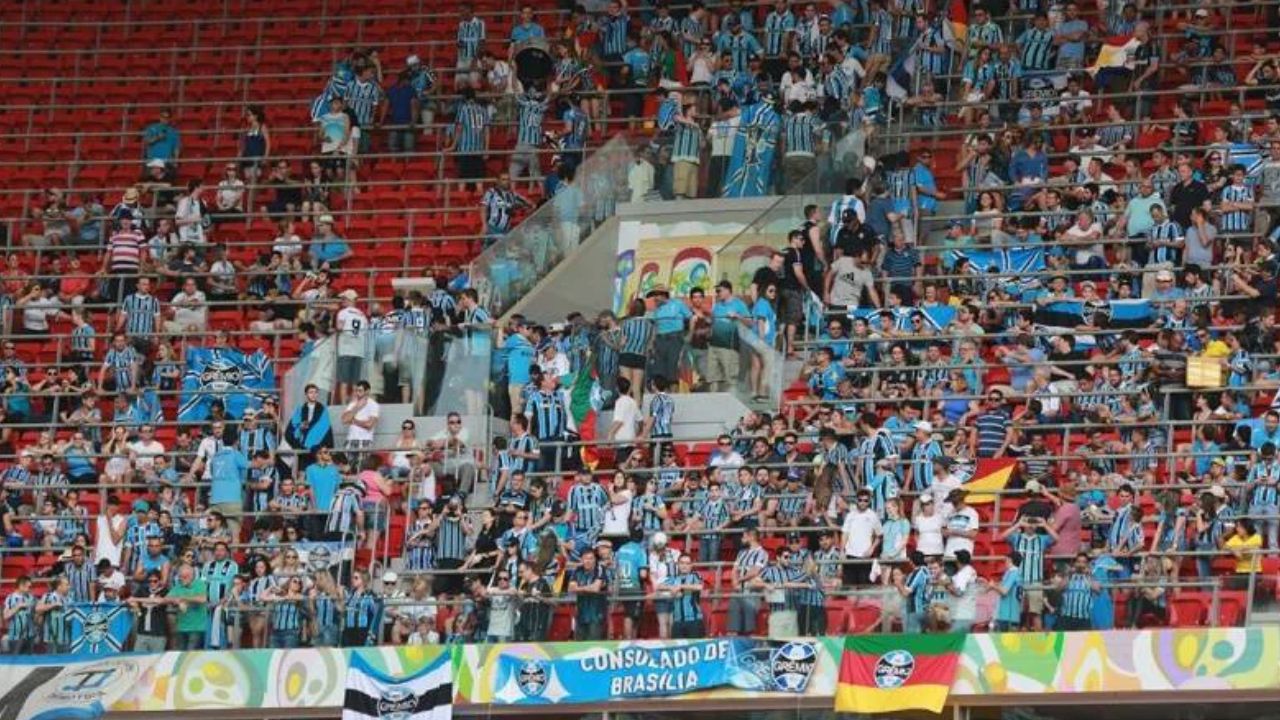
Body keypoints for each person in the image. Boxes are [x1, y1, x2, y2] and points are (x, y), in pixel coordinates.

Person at [568, 548, 608, 640]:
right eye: (586, 558)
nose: (588, 561)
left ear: (595, 560)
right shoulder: (578, 570)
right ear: (581, 560)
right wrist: (588, 588)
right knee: (579, 646)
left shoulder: (600, 569)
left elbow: (596, 588)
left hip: (596, 616)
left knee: (594, 646)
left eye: (591, 558)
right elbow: (571, 588)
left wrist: (579, 588)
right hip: (581, 615)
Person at [169, 563, 209, 650]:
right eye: (180, 576)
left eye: (184, 577)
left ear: (191, 576)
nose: (181, 579)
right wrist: (176, 602)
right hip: (181, 628)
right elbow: (167, 599)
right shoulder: (178, 587)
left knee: (191, 657)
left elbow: (202, 599)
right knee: (180, 656)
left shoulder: (199, 584)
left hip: (197, 628)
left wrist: (182, 598)